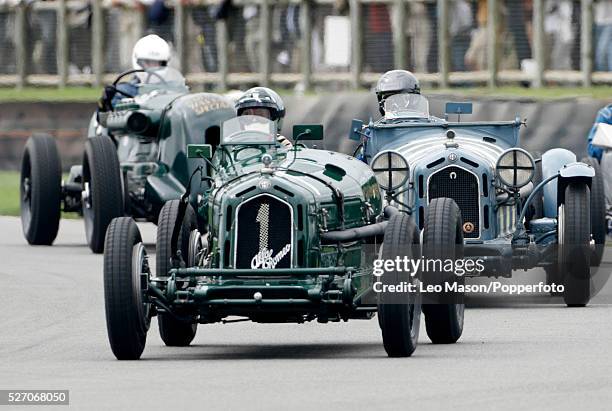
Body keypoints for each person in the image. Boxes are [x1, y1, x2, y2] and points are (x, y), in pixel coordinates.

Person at [98, 34, 171, 112]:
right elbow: (105, 119)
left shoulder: (174, 90)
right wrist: (105, 103)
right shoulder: (122, 91)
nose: (152, 68)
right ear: (138, 61)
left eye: (158, 63)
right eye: (147, 62)